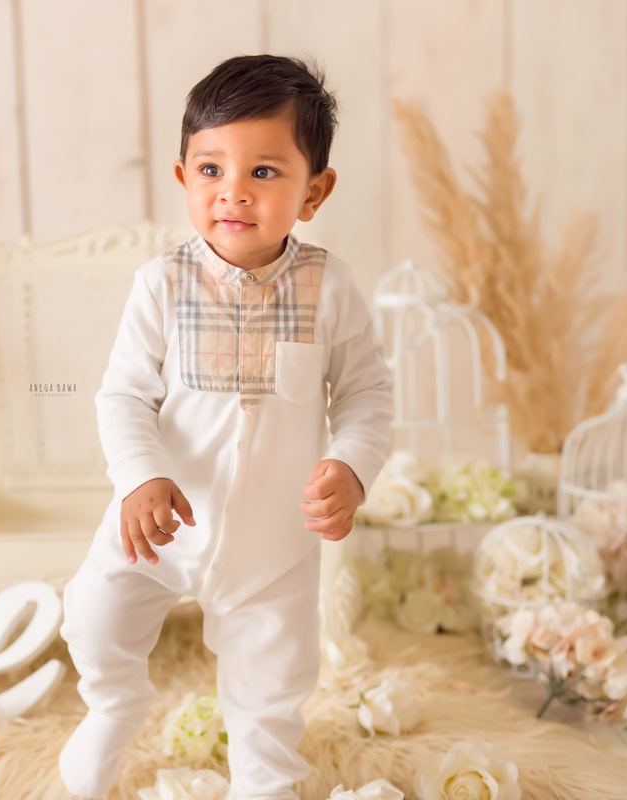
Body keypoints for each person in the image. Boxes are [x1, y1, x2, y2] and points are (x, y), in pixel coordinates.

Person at [58, 53, 393, 800]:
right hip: (157, 523)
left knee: (273, 678)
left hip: (271, 545)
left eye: (264, 172)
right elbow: (122, 396)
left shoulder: (330, 288)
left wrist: (352, 464)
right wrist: (140, 476)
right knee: (94, 617)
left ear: (314, 191)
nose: (233, 191)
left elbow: (367, 392)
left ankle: (263, 779)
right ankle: (113, 707)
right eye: (211, 169)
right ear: (184, 178)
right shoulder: (162, 284)